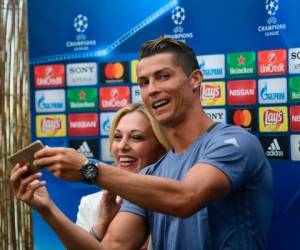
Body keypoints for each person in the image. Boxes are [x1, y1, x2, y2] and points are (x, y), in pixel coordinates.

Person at [11, 37, 272, 250]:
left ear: (195, 79)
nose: (152, 89)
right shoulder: (151, 175)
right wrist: (48, 210)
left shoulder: (234, 142)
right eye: (144, 82)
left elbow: (186, 198)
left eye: (163, 76)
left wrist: (88, 169)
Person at [76, 103, 169, 249]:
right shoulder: (90, 205)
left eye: (136, 137)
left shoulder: (176, 203)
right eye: (117, 137)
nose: (122, 146)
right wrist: (102, 224)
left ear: (161, 146)